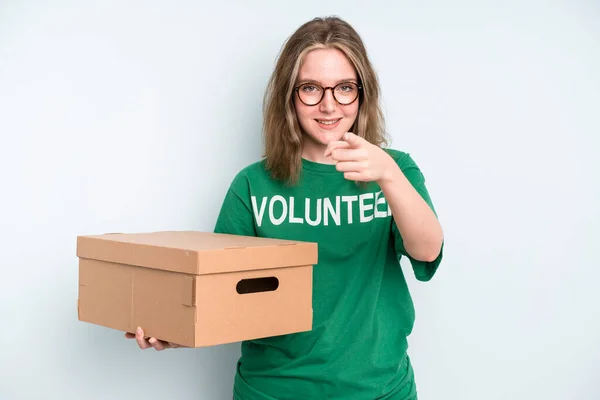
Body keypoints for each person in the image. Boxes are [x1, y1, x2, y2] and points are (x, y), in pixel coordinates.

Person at [127, 15, 444, 400]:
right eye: (310, 88)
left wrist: (389, 176)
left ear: (363, 93)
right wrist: (174, 332)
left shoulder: (395, 171)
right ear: (289, 95)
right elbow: (218, 297)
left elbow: (427, 251)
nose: (329, 105)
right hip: (273, 390)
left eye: (344, 88)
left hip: (379, 390)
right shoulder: (252, 185)